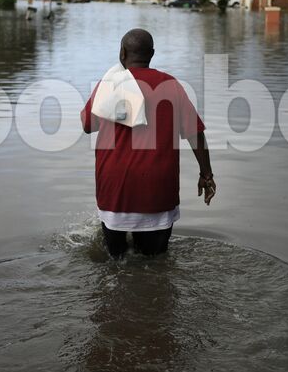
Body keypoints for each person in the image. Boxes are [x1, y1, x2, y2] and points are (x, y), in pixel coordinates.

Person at [81, 28, 215, 258]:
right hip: (158, 190)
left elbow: (87, 126)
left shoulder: (109, 85)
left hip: (115, 190)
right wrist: (207, 174)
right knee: (156, 263)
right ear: (152, 54)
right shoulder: (171, 85)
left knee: (115, 263)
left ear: (122, 53)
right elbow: (195, 134)